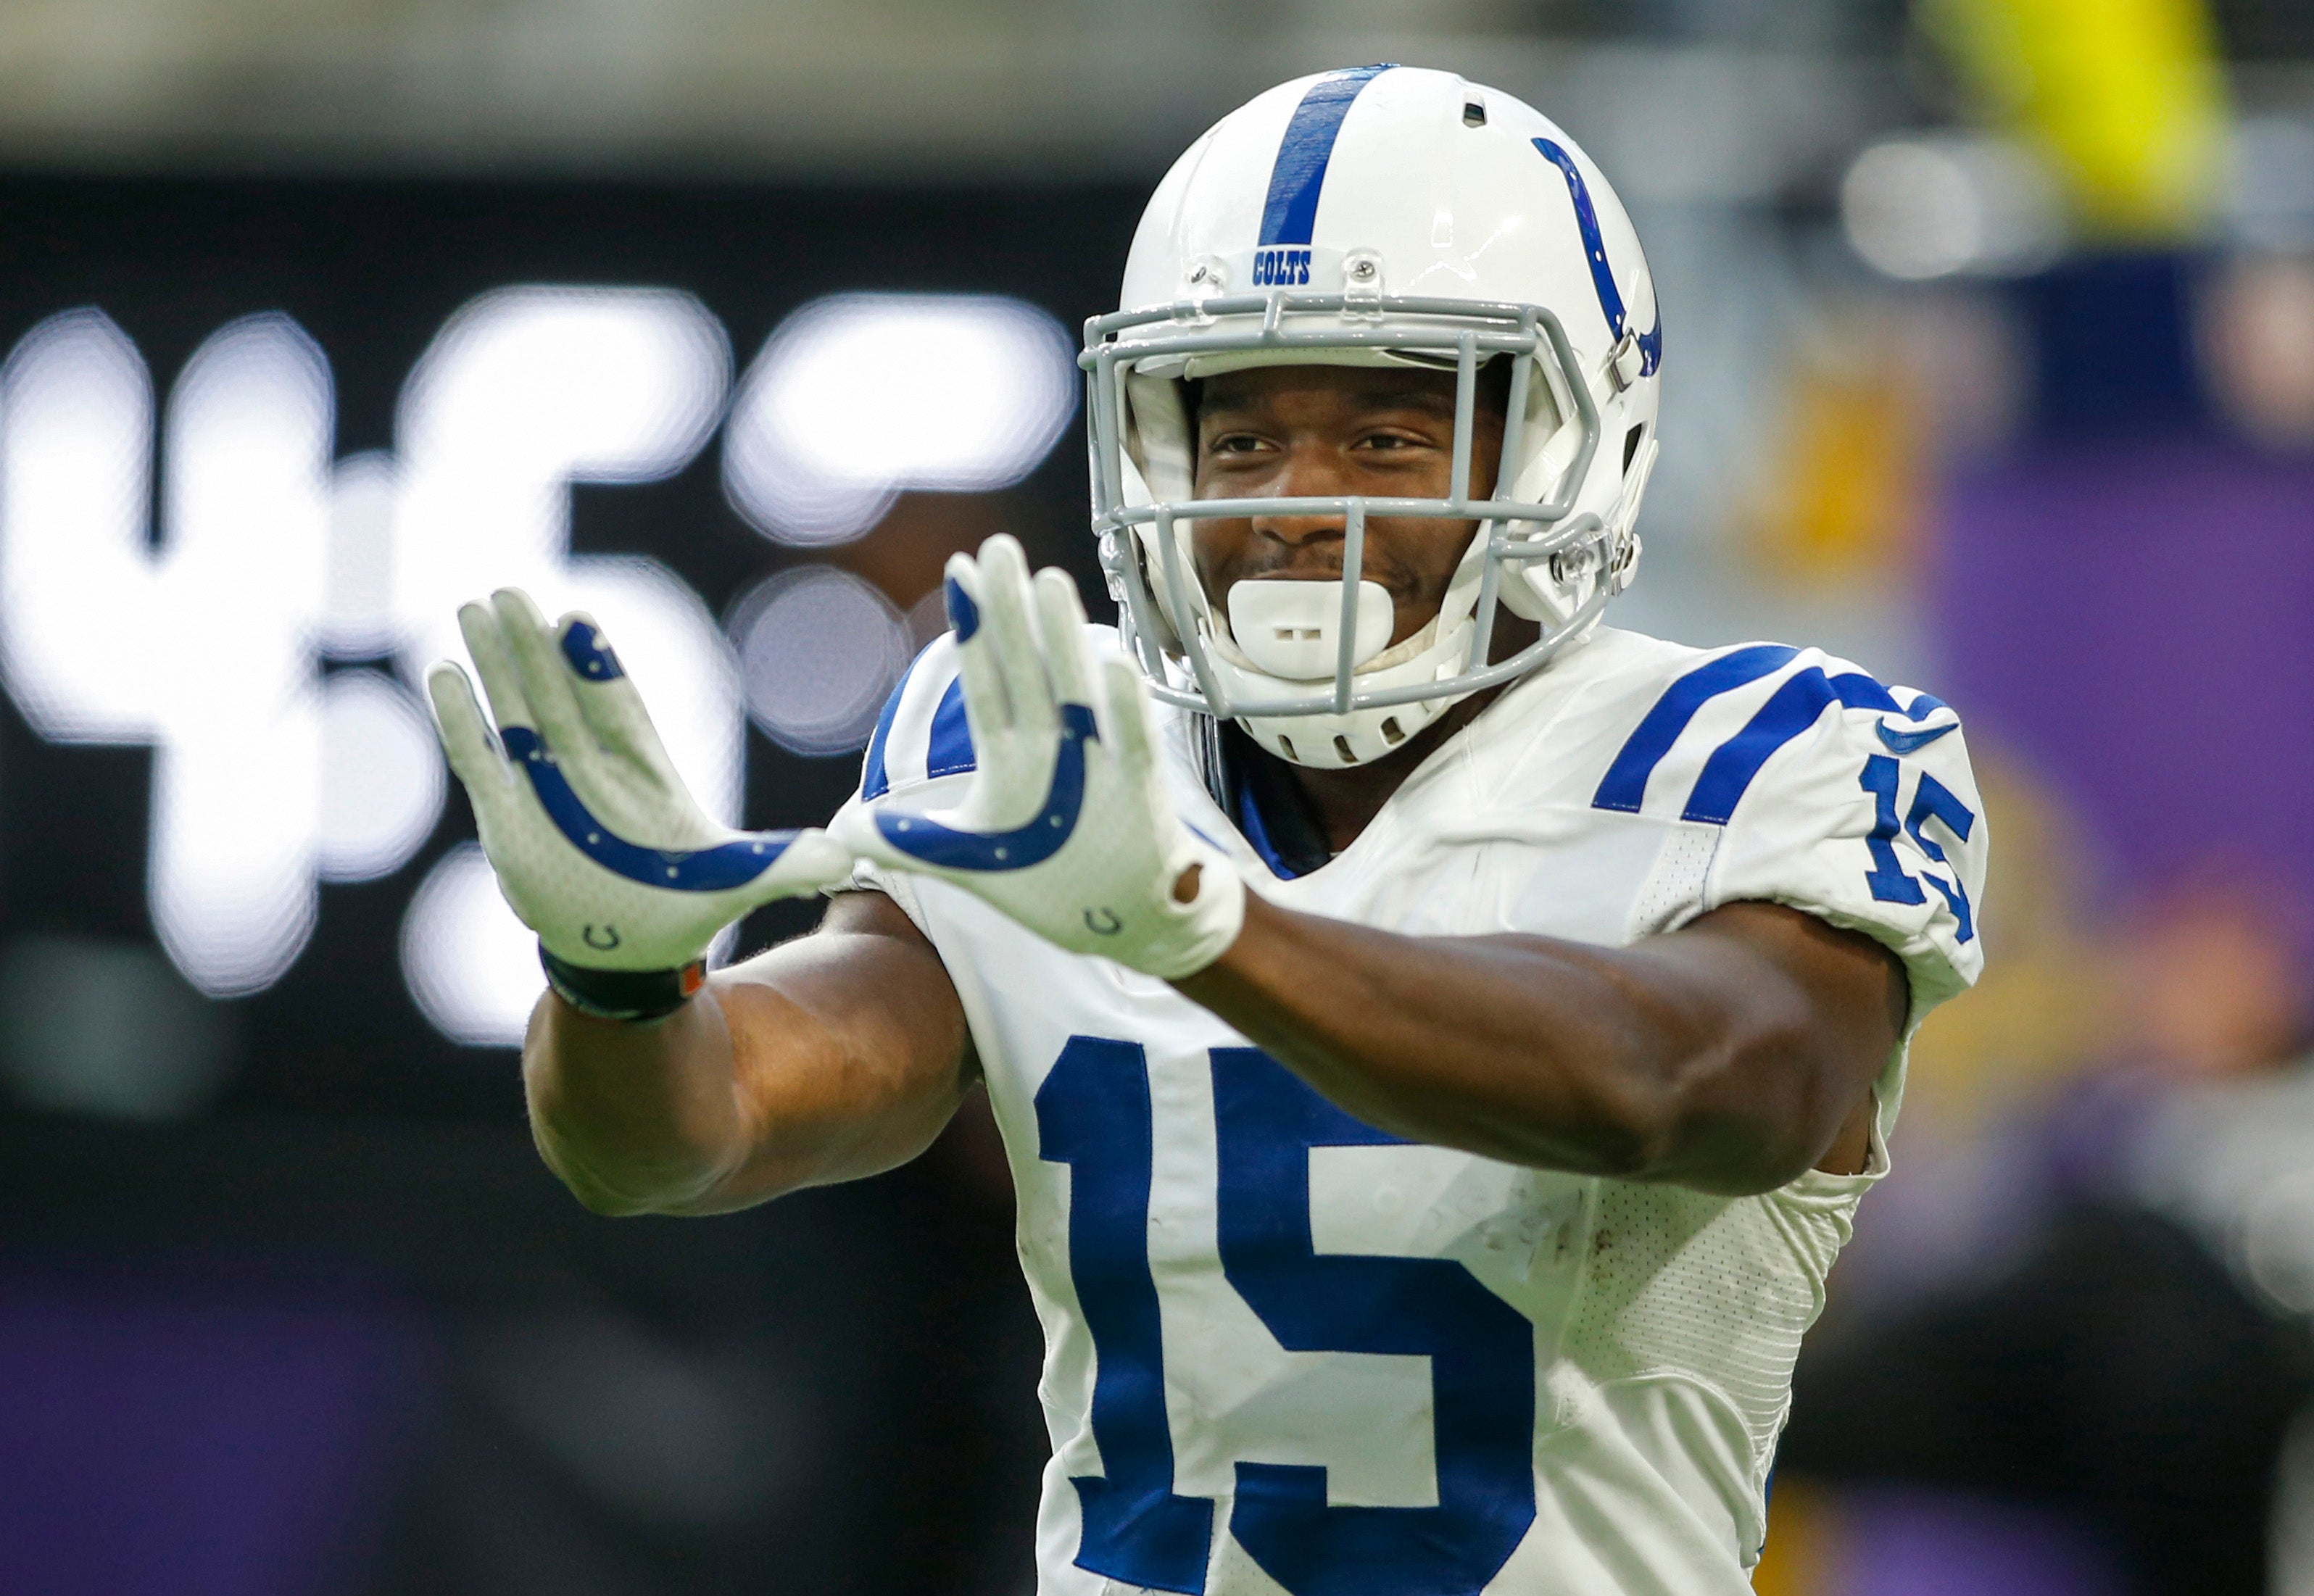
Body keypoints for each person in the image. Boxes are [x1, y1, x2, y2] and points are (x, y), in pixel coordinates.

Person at [426, 66, 1987, 1596]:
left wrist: (1205, 928)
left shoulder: (1764, 752)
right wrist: (619, 983)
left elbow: (1700, 1083)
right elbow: (690, 1137)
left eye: (1386, 436)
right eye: (1240, 438)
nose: (1297, 500)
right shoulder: (1050, 740)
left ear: (1570, 445)